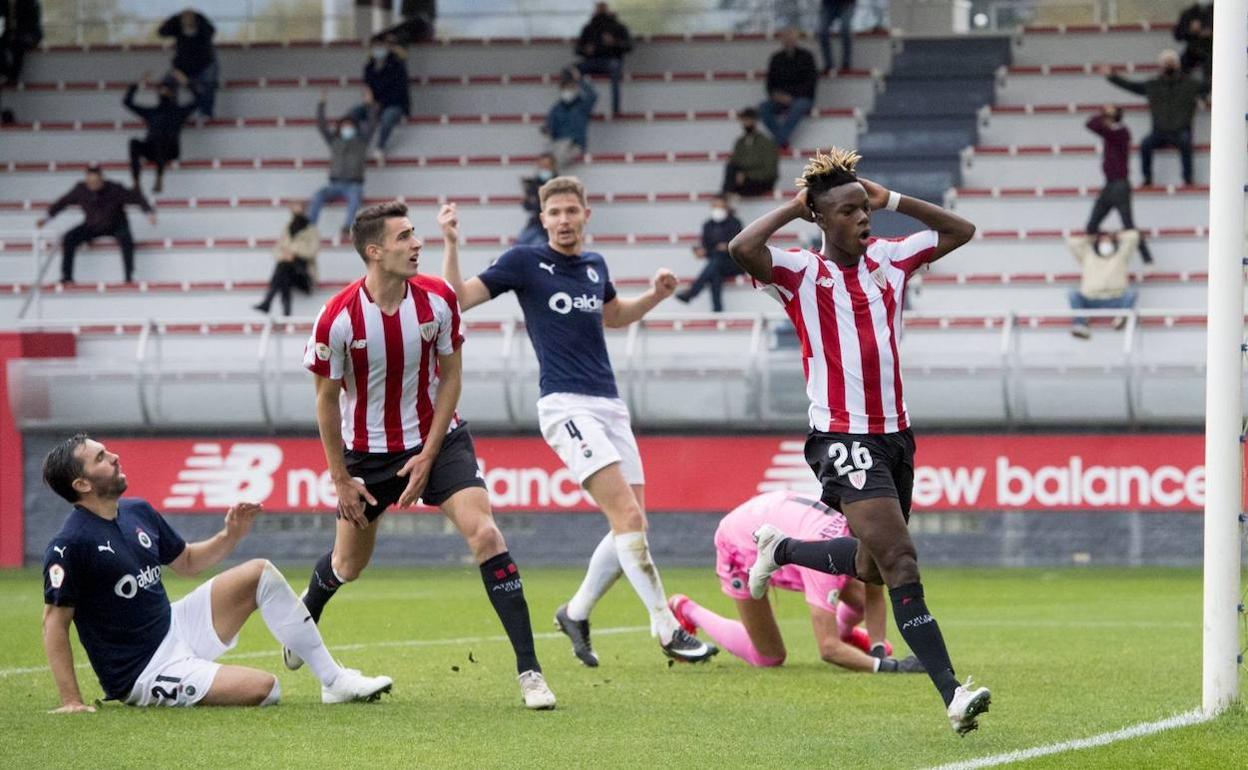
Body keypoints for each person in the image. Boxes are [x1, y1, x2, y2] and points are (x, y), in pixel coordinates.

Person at [728, 147, 991, 735]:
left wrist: (889, 196)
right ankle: (952, 693)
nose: (861, 218)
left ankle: (783, 550)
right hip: (843, 438)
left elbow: (962, 229)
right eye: (846, 211)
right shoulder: (800, 272)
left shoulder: (893, 260)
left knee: (872, 568)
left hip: (897, 436)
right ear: (821, 220)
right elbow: (742, 249)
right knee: (901, 562)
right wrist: (794, 207)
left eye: (862, 207)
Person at [441, 177, 717, 665]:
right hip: (565, 406)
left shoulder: (594, 266)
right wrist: (451, 242)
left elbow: (613, 314)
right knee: (627, 517)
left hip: (610, 404)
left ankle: (577, 611)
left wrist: (655, 295)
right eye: (555, 213)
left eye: (572, 211)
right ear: (542, 219)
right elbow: (457, 298)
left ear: (586, 214)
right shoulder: (524, 261)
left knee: (633, 522)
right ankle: (666, 626)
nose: (564, 220)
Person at [295, 201, 557, 710]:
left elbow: (452, 376)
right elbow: (326, 401)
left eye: (416, 234)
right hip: (366, 456)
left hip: (438, 440)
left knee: (485, 533)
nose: (417, 244)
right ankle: (309, 607)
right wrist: (341, 478)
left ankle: (531, 672)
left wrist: (429, 454)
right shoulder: (338, 317)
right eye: (404, 237)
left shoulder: (438, 298)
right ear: (375, 251)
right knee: (348, 564)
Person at [39, 433, 392, 712]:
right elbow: (54, 622)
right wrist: (71, 700)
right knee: (266, 689)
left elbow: (188, 562)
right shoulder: (70, 544)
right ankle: (180, 679)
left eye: (107, 451)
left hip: (174, 625)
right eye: (100, 458)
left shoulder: (137, 511)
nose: (114, 456)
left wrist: (230, 536)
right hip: (144, 671)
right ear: (82, 484)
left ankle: (334, 681)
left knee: (260, 573)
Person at [669, 490, 923, 673]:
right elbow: (828, 649)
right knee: (769, 656)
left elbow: (873, 595)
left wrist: (877, 648)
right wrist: (891, 667)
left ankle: (848, 636)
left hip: (770, 514)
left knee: (858, 600)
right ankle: (685, 608)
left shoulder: (868, 531)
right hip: (739, 541)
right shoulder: (826, 564)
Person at [1102, 50, 1208, 187]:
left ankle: (1188, 179)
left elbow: (1210, 86)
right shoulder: (1152, 85)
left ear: (1178, 65)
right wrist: (1112, 77)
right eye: (1166, 62)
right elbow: (1131, 86)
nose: (1168, 65)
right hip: (1159, 131)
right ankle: (1147, 179)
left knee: (1186, 143)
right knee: (1145, 145)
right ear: (1160, 65)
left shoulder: (1190, 84)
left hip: (1181, 130)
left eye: (1171, 62)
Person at [37, 165, 154, 284]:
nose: (93, 185)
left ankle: (129, 277)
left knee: (127, 240)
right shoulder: (80, 189)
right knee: (69, 238)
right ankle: (67, 277)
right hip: (93, 225)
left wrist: (149, 213)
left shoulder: (115, 188)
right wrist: (46, 218)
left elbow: (136, 198)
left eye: (96, 182)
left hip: (116, 224)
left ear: (102, 179)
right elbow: (62, 202)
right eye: (90, 182)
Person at [1084, 105, 1152, 263]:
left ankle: (1146, 257)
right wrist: (1104, 114)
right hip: (1109, 185)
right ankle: (1104, 249)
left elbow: (1093, 125)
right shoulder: (1112, 132)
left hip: (1120, 185)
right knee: (1091, 226)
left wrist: (1104, 114)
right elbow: (1091, 124)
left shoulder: (1121, 132)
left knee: (1129, 225)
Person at [308, 90, 378, 240]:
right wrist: (321, 104)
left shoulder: (362, 141)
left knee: (355, 198)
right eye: (344, 125)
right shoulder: (334, 141)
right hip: (334, 184)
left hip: (353, 184)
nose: (347, 128)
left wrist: (370, 104)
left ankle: (348, 227)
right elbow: (321, 125)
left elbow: (372, 123)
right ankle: (309, 227)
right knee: (318, 195)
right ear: (340, 128)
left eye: (350, 125)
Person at [124, 73, 198, 194]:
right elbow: (127, 103)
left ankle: (159, 177)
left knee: (160, 140)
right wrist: (137, 85)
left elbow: (199, 99)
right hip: (152, 149)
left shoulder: (179, 111)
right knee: (133, 142)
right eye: (161, 90)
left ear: (173, 93)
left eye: (167, 90)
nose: (163, 92)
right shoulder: (152, 112)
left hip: (170, 150)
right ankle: (136, 182)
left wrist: (187, 83)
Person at [1066, 229, 1140, 339]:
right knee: (1072, 294)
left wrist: (1116, 235)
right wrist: (1091, 238)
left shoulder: (1121, 256)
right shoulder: (1087, 256)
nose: (1105, 244)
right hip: (1090, 300)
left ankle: (1120, 319)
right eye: (1102, 241)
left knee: (1131, 295)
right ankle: (1081, 325)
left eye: (1108, 241)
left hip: (1115, 299)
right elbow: (1071, 242)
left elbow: (1134, 236)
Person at [675, 196, 744, 312]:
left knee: (714, 265)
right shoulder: (707, 225)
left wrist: (726, 247)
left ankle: (692, 292)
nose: (718, 209)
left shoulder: (735, 223)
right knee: (714, 272)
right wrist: (704, 252)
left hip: (734, 263)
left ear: (726, 207)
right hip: (716, 262)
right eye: (715, 206)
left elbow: (739, 246)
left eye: (721, 206)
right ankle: (717, 310)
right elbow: (707, 247)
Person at [349, 34, 410, 159]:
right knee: (353, 114)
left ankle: (380, 147)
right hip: (373, 104)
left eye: (381, 47)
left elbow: (399, 91)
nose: (378, 50)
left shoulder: (397, 66)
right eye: (375, 47)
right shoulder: (368, 67)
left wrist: (379, 103)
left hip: (394, 104)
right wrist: (367, 96)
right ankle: (357, 146)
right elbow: (367, 86)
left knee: (387, 118)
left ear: (387, 48)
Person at [255, 203, 320, 317]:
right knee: (284, 270)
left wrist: (294, 253)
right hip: (289, 272)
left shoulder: (311, 230)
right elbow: (276, 250)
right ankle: (285, 309)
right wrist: (285, 256)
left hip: (304, 274)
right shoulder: (288, 228)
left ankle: (269, 301)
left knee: (283, 268)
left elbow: (313, 251)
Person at [758, 28, 818, 150]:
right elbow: (770, 83)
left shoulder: (807, 57)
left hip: (801, 97)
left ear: (796, 39)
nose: (789, 40)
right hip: (780, 98)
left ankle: (777, 142)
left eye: (791, 37)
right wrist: (776, 95)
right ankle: (782, 140)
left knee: (799, 106)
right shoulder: (776, 58)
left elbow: (810, 82)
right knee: (763, 108)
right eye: (786, 37)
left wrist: (792, 96)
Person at [157, 8, 218, 118]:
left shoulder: (203, 32)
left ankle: (205, 112)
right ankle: (171, 111)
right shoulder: (178, 29)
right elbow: (162, 32)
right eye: (184, 19)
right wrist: (175, 17)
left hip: (204, 66)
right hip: (182, 69)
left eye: (190, 19)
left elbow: (211, 31)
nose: (187, 22)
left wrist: (199, 17)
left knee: (209, 83)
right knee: (166, 83)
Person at [574, 2, 631, 117]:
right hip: (591, 61)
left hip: (611, 61)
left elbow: (629, 46)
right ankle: (590, 97)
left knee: (615, 67)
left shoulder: (618, 27)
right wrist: (585, 50)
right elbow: (577, 49)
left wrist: (614, 43)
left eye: (603, 8)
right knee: (572, 70)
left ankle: (615, 109)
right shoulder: (589, 28)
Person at [542, 68, 597, 170]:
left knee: (560, 152)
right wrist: (547, 130)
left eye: (571, 87)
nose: (567, 90)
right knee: (547, 155)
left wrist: (579, 79)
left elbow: (593, 96)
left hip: (575, 144)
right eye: (565, 87)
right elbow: (550, 127)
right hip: (558, 143)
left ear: (576, 88)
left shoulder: (583, 105)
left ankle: (549, 177)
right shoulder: (556, 109)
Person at [0, 0, 42, 123]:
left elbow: (30, 24)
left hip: (27, 34)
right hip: (12, 34)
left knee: (18, 46)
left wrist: (14, 35)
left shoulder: (30, 3)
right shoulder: (5, 3)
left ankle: (12, 75)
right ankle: (7, 72)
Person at [722, 107, 779, 197]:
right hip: (744, 180)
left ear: (755, 121)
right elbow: (735, 162)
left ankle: (725, 197)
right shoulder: (740, 142)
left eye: (748, 120)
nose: (745, 123)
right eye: (744, 120)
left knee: (735, 181)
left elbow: (770, 171)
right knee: (731, 168)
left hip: (761, 181)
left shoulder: (766, 143)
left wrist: (747, 175)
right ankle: (726, 196)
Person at [517, 153, 558, 247]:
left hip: (551, 226)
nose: (544, 169)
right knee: (519, 244)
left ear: (553, 166)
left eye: (547, 166)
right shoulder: (534, 183)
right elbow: (527, 207)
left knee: (539, 244)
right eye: (542, 166)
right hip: (535, 223)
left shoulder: (560, 184)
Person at [1173, 2, 1213, 77]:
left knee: (1211, 63)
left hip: (1212, 49)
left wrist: (1211, 33)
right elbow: (1178, 35)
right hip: (1194, 48)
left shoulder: (1218, 12)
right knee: (1183, 62)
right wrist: (1190, 30)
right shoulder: (1189, 13)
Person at [817, 0, 856, 74]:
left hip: (847, 4)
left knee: (845, 28)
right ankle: (829, 64)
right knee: (822, 31)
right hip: (828, 5)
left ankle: (846, 63)